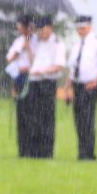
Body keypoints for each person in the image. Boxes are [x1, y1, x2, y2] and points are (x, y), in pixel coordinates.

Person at [65, 14, 97, 160]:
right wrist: (67, 88)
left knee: (87, 119)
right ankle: (82, 151)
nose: (80, 31)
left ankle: (88, 153)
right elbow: (73, 69)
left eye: (82, 28)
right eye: (78, 28)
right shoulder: (76, 45)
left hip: (89, 85)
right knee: (78, 119)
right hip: (77, 84)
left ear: (89, 26)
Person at [22, 15, 65, 158]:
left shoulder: (57, 44)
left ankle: (46, 151)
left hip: (47, 82)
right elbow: (34, 61)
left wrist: (43, 71)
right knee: (34, 116)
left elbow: (58, 66)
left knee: (46, 117)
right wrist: (28, 49)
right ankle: (34, 150)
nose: (41, 33)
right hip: (34, 81)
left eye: (43, 30)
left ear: (51, 27)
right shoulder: (38, 43)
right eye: (39, 30)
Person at [5, 15, 36, 157]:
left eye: (22, 27)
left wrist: (29, 48)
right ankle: (22, 148)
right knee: (21, 112)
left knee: (31, 112)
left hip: (32, 77)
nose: (20, 30)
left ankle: (32, 146)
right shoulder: (18, 41)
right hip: (19, 77)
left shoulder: (37, 41)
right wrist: (20, 50)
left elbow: (35, 61)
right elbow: (9, 58)